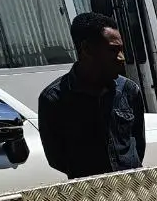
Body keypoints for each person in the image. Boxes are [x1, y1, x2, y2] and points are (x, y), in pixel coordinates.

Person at [38, 12, 146, 180]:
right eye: (112, 50)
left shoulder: (129, 90)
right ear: (87, 49)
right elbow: (56, 158)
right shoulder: (54, 99)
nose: (121, 58)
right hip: (89, 195)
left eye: (121, 50)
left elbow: (138, 144)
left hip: (131, 189)